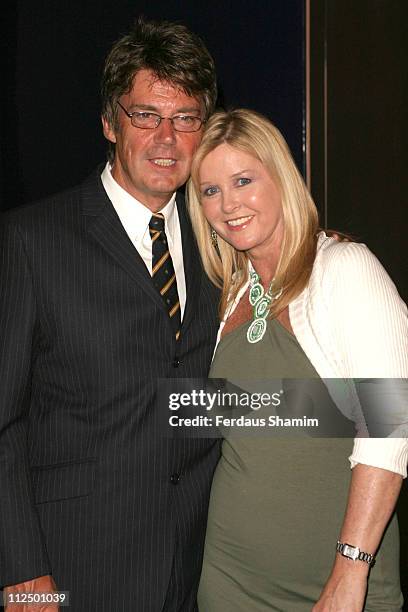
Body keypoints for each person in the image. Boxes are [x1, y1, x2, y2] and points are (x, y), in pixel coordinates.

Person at [0, 17, 220, 612]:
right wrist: (20, 571)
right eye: (146, 115)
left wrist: (370, 406)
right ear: (108, 122)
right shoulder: (32, 240)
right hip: (71, 567)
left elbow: (216, 399)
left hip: (197, 570)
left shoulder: (221, 241)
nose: (167, 138)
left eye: (186, 118)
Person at [187, 108, 408, 611]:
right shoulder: (229, 295)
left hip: (335, 585)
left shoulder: (343, 270)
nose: (229, 204)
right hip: (229, 581)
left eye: (244, 180)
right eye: (211, 190)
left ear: (281, 178)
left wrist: (349, 574)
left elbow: (392, 428)